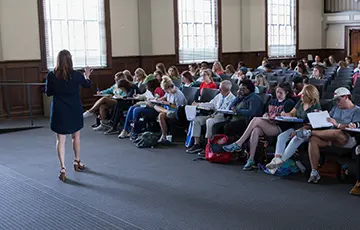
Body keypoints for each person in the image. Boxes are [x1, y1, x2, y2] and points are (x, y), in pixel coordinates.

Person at [223, 82, 295, 170]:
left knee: (256, 120)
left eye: (281, 93)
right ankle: (251, 159)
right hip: (269, 124)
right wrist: (266, 116)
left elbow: (286, 119)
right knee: (255, 130)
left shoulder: (289, 103)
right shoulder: (272, 101)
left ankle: (239, 143)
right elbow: (265, 113)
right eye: (277, 92)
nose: (278, 95)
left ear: (286, 93)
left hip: (280, 127)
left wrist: (272, 118)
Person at [45, 49, 92, 181]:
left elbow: (48, 93)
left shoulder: (51, 75)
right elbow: (87, 85)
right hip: (74, 108)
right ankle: (77, 161)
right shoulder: (76, 75)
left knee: (60, 139)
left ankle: (63, 168)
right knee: (75, 136)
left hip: (59, 109)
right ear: (70, 60)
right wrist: (87, 75)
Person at [296, 87, 360, 184]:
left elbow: (354, 126)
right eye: (335, 101)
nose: (337, 103)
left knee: (337, 132)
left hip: (347, 138)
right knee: (313, 140)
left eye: (338, 100)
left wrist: (337, 124)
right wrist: (319, 116)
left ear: (346, 97)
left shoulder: (357, 110)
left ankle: (309, 132)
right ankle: (314, 172)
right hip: (330, 137)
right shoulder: (335, 108)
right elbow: (327, 120)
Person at [266, 84, 321, 171]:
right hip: (296, 127)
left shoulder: (316, 107)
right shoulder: (300, 102)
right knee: (281, 136)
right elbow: (292, 113)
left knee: (296, 139)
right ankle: (276, 159)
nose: (301, 96)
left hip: (307, 131)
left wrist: (298, 131)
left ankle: (281, 161)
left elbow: (312, 125)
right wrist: (285, 114)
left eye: (304, 95)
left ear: (310, 96)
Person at [186, 80, 236, 154]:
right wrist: (199, 105)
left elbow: (228, 111)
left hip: (222, 116)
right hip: (213, 114)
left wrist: (214, 114)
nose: (219, 89)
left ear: (227, 90)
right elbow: (211, 104)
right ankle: (197, 144)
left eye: (221, 88)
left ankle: (208, 145)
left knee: (209, 121)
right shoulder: (219, 96)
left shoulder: (232, 98)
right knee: (196, 120)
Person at [118, 74, 164, 139]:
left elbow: (155, 101)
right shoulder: (150, 90)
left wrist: (141, 102)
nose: (145, 86)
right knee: (132, 108)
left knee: (136, 110)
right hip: (149, 107)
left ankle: (135, 131)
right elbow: (145, 96)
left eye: (146, 84)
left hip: (156, 109)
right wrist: (138, 97)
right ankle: (125, 130)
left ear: (151, 83)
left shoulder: (158, 90)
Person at [154, 76, 188, 144]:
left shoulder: (178, 94)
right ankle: (164, 135)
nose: (165, 91)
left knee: (161, 115)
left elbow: (179, 108)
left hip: (177, 112)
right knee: (155, 106)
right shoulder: (169, 92)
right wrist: (157, 100)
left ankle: (164, 135)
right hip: (169, 110)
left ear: (169, 87)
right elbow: (164, 97)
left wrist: (168, 103)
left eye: (165, 90)